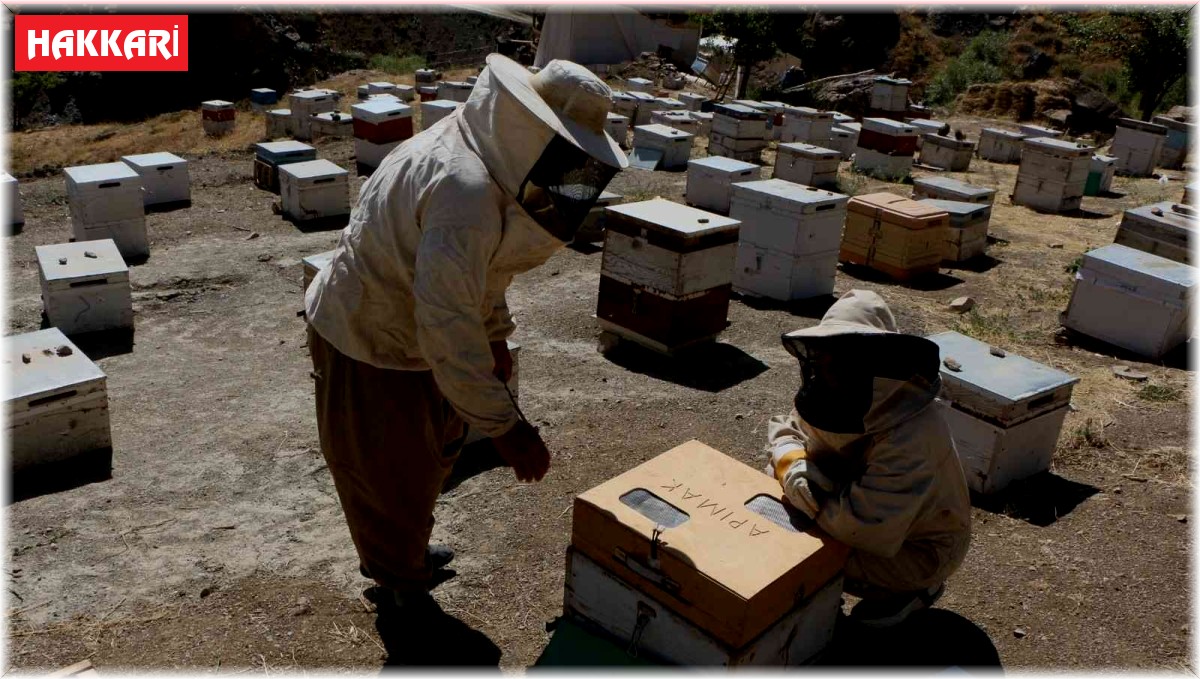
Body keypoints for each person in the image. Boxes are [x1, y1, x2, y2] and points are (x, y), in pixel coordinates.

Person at [304, 54, 627, 624]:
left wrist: (496, 332)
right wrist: (509, 429)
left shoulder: (481, 163)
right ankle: (402, 591)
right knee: (389, 471)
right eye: (567, 156)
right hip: (370, 338)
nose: (572, 176)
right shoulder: (465, 190)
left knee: (429, 455)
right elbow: (448, 320)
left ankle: (405, 552)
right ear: (533, 132)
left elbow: (484, 273)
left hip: (408, 326)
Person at [765, 289, 972, 628]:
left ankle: (914, 589)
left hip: (914, 545)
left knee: (793, 550)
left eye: (842, 360)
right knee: (776, 514)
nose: (828, 370)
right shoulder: (829, 394)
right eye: (824, 357)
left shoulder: (913, 433)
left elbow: (864, 528)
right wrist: (791, 462)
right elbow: (786, 428)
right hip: (846, 505)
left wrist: (805, 494)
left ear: (873, 363)